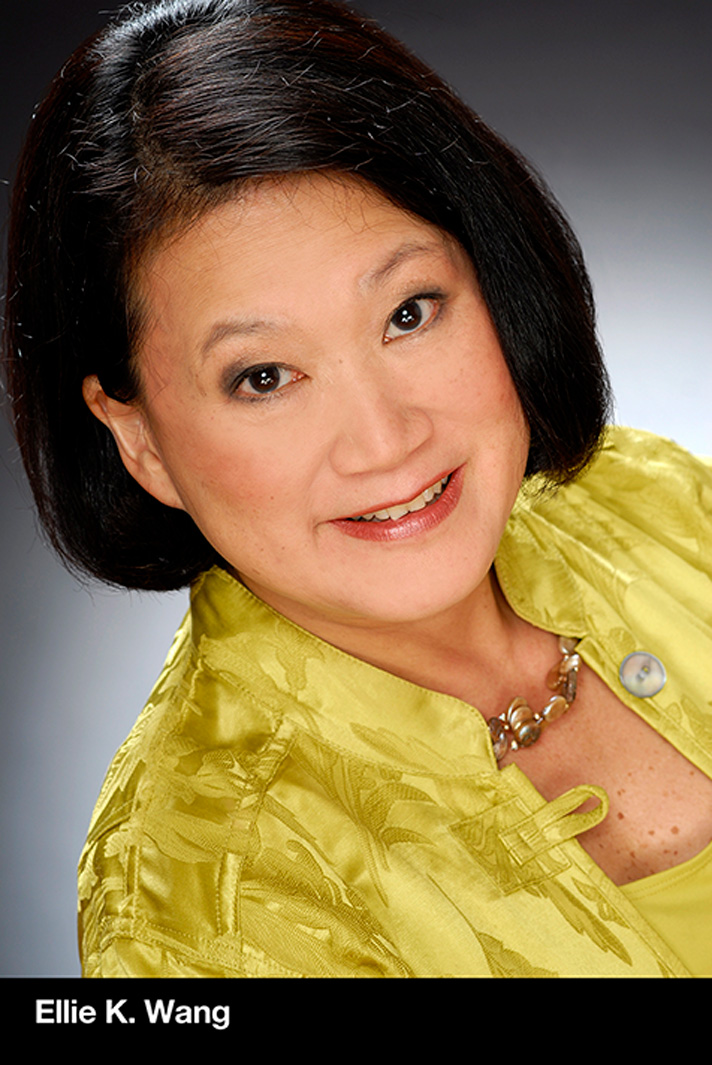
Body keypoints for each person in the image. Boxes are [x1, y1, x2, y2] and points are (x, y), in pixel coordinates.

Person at [3, 0, 711, 977]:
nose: (385, 441)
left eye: (408, 313)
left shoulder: (653, 499)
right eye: (263, 377)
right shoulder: (207, 904)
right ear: (139, 440)